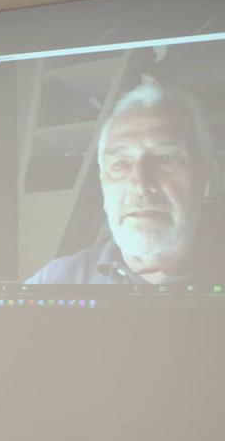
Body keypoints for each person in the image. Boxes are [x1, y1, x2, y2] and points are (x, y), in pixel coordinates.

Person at [26, 77, 218, 285]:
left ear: (206, 176)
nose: (140, 184)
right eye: (120, 164)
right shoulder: (54, 281)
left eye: (166, 158)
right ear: (103, 184)